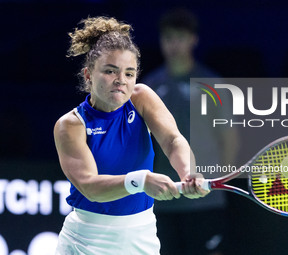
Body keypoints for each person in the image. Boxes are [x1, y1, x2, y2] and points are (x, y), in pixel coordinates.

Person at [53, 16, 209, 255]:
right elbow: (89, 187)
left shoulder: (141, 97)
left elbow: (172, 140)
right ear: (88, 75)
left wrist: (188, 173)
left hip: (141, 235)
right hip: (86, 241)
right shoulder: (71, 125)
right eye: (110, 71)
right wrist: (141, 180)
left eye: (129, 73)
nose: (121, 81)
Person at [142, 8, 240, 255]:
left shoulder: (212, 85)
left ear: (193, 39)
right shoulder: (149, 87)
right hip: (161, 201)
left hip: (204, 201)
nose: (174, 44)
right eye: (168, 38)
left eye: (180, 37)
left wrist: (217, 182)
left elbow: (229, 139)